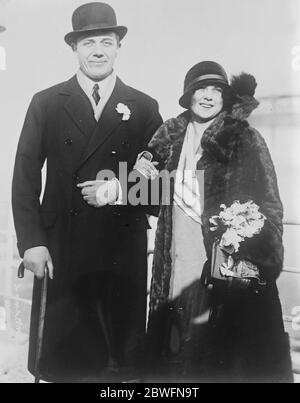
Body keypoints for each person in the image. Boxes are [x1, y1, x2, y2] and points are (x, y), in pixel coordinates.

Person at [12, 2, 162, 382]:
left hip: (121, 254)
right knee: (67, 362)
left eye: (106, 42)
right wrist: (31, 242)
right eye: (89, 42)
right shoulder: (45, 103)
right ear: (74, 49)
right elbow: (25, 177)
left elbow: (161, 188)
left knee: (115, 367)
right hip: (62, 247)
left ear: (118, 47)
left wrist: (119, 189)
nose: (98, 51)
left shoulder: (144, 107)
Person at [146, 61, 293, 382]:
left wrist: (253, 250)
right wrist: (119, 186)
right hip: (174, 260)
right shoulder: (171, 139)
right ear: (188, 96)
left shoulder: (244, 138)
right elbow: (150, 197)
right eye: (201, 89)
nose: (209, 96)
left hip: (220, 263)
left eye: (217, 90)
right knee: (173, 354)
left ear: (227, 98)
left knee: (217, 353)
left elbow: (270, 204)